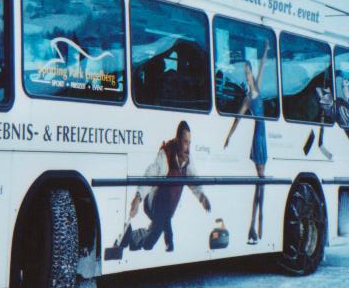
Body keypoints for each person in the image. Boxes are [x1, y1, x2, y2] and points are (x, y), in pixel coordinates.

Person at [104, 121, 211, 260]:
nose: (187, 147)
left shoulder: (187, 160)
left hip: (167, 210)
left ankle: (129, 236)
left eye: (189, 142)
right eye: (185, 142)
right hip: (154, 203)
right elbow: (151, 175)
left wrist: (202, 197)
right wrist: (137, 198)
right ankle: (165, 239)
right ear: (178, 141)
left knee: (153, 238)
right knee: (156, 232)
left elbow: (194, 180)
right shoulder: (165, 155)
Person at [223, 40, 271, 245]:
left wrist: (267, 50)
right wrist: (229, 136)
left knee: (261, 184)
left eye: (247, 72)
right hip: (258, 137)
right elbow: (238, 118)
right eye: (245, 73)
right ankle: (255, 227)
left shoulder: (257, 88)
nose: (247, 75)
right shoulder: (248, 98)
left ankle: (256, 227)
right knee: (261, 183)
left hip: (262, 135)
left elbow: (262, 67)